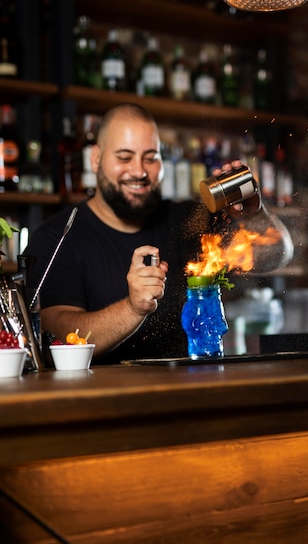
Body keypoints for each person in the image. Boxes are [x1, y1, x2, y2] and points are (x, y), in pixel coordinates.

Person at [24, 103, 293, 363]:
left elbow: (276, 256)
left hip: (190, 392)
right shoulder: (57, 237)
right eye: (124, 157)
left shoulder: (191, 221)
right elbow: (54, 338)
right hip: (100, 403)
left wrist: (254, 213)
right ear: (95, 159)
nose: (139, 171)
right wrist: (132, 308)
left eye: (151, 157)